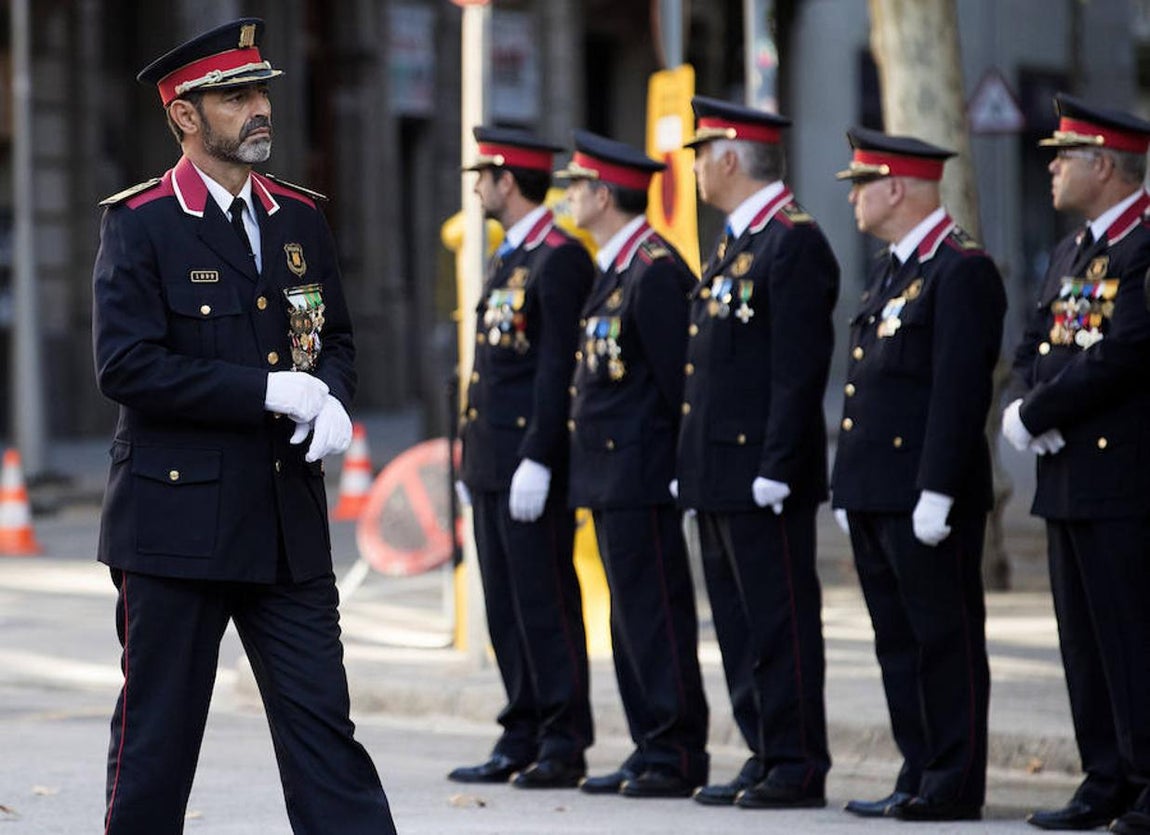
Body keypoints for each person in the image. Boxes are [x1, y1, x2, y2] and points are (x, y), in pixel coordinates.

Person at [91, 18, 396, 834]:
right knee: (158, 743)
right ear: (184, 115)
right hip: (175, 525)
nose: (259, 108)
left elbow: (334, 337)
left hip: (286, 523)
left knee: (325, 734)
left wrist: (332, 397)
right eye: (234, 97)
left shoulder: (299, 217)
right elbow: (126, 366)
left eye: (261, 91)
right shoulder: (143, 221)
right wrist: (265, 390)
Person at [832, 127, 1005, 823]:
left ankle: (953, 780)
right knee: (897, 641)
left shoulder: (960, 269)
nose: (853, 199)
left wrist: (937, 488)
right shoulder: (893, 268)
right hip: (878, 489)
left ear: (896, 187)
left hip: (926, 494)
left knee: (943, 639)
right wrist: (849, 482)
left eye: (861, 185)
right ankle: (918, 767)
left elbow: (959, 391)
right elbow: (868, 384)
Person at [675, 96, 837, 810]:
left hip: (762, 472)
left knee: (779, 621)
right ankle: (764, 749)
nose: (696, 170)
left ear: (732, 158)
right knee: (738, 624)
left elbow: (797, 371)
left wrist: (777, 464)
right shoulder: (737, 240)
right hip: (718, 469)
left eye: (702, 155)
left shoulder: (791, 241)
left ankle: (797, 761)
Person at [1002, 94, 1150, 835]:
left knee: (1133, 636)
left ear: (1105, 165)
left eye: (1065, 156)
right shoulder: (1071, 251)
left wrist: (1041, 412)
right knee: (1083, 641)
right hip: (1066, 476)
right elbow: (1035, 342)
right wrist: (1025, 400)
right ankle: (1105, 778)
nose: (1053, 169)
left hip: (1123, 475)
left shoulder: (1143, 246)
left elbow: (1127, 350)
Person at [556, 130, 709, 798]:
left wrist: (680, 466)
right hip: (610, 474)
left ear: (603, 195)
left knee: (655, 613)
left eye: (576, 186)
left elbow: (681, 382)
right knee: (627, 616)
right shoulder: (617, 266)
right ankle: (650, 743)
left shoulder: (655, 269)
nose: (568, 196)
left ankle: (676, 750)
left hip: (643, 472)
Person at [452, 127, 595, 789]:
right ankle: (522, 730)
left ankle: (562, 740)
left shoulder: (558, 258)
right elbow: (491, 366)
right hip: (491, 459)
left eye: (483, 177)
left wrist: (539, 454)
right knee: (505, 605)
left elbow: (557, 367)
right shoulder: (510, 255)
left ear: (507, 181)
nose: (478, 189)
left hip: (528, 463)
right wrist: (469, 454)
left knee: (544, 602)